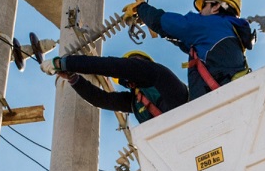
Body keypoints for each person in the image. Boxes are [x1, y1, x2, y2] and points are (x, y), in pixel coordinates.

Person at [123, 0, 254, 100]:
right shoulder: (228, 33)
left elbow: (171, 24)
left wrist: (141, 9)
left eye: (204, 6)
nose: (200, 13)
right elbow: (181, 38)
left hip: (217, 101)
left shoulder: (211, 24)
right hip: (230, 98)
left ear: (215, 7)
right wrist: (149, 20)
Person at [39, 51, 188, 124]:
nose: (134, 66)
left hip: (189, 117)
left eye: (137, 62)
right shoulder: (135, 101)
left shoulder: (161, 76)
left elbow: (114, 67)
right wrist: (73, 78)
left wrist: (66, 63)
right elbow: (102, 100)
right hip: (167, 141)